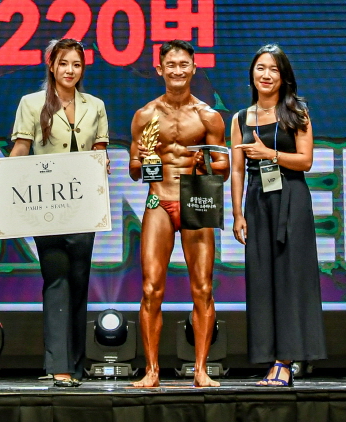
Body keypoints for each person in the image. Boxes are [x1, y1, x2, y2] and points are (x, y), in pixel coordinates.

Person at [9, 38, 110, 386]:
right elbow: (21, 148)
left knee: (79, 283)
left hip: (84, 206)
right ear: (51, 65)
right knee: (56, 280)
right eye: (63, 63)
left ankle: (75, 365)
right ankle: (59, 365)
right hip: (46, 205)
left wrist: (103, 163)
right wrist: (3, 188)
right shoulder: (31, 103)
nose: (70, 70)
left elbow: (100, 150)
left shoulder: (95, 106)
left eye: (76, 64)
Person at [128, 39, 228, 388]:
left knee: (202, 287)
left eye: (184, 64)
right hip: (159, 199)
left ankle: (200, 370)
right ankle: (152, 371)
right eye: (171, 64)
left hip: (196, 195)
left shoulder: (208, 116)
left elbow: (223, 168)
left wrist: (205, 164)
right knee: (151, 288)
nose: (177, 70)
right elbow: (135, 171)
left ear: (194, 68)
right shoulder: (145, 115)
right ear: (160, 69)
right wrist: (144, 159)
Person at [230, 44, 326, 386]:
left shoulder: (296, 113)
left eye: (273, 69)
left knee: (290, 278)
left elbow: (305, 161)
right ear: (252, 75)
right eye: (261, 68)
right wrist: (237, 213)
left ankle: (286, 361)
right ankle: (271, 356)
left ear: (283, 77)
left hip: (291, 198)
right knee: (262, 279)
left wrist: (269, 154)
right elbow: (237, 169)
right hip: (258, 200)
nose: (266, 75)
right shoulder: (240, 118)